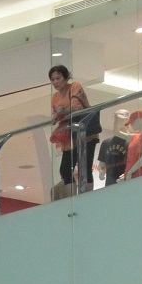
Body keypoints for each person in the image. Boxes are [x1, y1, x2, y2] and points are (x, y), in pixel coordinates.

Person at [49, 64, 99, 192]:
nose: (55, 82)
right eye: (52, 79)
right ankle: (71, 197)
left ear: (66, 77)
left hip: (84, 132)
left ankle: (87, 197)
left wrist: (61, 112)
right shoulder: (55, 97)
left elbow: (76, 107)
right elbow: (55, 116)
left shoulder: (75, 86)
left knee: (85, 166)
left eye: (58, 78)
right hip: (69, 135)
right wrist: (60, 113)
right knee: (65, 169)